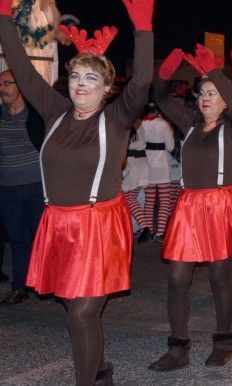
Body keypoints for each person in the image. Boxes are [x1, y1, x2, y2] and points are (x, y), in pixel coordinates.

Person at [0, 0, 154, 384]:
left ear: (105, 88)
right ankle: (99, 369)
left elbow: (141, 82)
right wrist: (4, 18)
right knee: (73, 308)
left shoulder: (116, 118)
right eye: (75, 77)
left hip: (98, 226)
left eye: (90, 79)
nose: (80, 85)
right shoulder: (54, 110)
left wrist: (143, 30)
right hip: (58, 225)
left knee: (82, 314)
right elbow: (20, 66)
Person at [149, 45, 232, 370]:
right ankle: (177, 349)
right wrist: (165, 73)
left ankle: (224, 340)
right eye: (202, 94)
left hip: (222, 205)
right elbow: (160, 95)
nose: (206, 98)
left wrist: (215, 73)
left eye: (213, 93)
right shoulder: (191, 125)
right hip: (190, 207)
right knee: (176, 277)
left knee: (219, 278)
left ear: (224, 98)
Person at [0, 69, 45, 307]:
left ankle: (45, 285)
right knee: (18, 239)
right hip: (7, 189)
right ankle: (19, 287)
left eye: (8, 83)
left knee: (42, 238)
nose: (3, 87)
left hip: (36, 186)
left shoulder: (36, 116)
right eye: (0, 83)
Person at [140, 103, 175, 242]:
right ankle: (160, 232)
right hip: (162, 165)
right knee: (165, 200)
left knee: (149, 200)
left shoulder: (141, 124)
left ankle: (149, 230)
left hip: (148, 162)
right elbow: (171, 146)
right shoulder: (164, 124)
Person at [122, 123, 149, 238]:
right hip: (143, 162)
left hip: (131, 164)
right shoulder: (139, 124)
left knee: (130, 199)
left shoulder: (126, 126)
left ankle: (144, 227)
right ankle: (137, 228)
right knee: (137, 199)